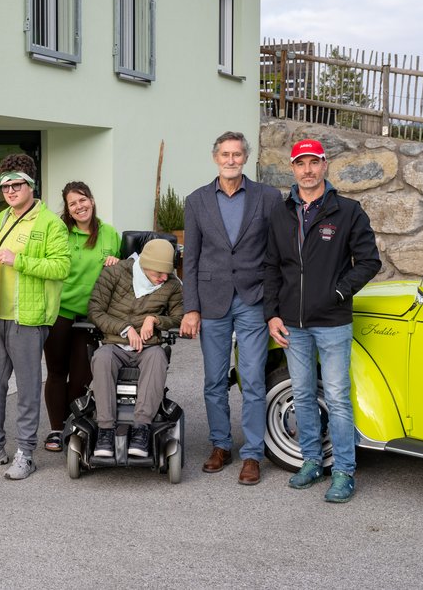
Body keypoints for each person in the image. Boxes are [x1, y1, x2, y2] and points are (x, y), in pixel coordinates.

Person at [264, 139, 380, 503]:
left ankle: (344, 471)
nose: (308, 170)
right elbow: (271, 267)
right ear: (293, 168)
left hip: (332, 322)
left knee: (337, 398)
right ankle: (312, 461)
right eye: (301, 163)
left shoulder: (347, 211)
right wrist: (272, 313)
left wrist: (340, 293)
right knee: (302, 393)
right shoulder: (281, 213)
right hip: (292, 324)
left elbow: (369, 261)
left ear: (325, 165)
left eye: (314, 162)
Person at [179, 132, 283, 486]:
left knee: (253, 379)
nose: (231, 160)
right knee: (213, 380)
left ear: (246, 158)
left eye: (237, 154)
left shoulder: (268, 198)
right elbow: (190, 259)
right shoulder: (196, 201)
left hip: (253, 298)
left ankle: (252, 453)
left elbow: (277, 254)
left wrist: (273, 305)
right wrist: (190, 308)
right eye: (225, 154)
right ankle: (221, 444)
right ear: (215, 158)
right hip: (212, 300)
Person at [0, 153, 69, 480]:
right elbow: (2, 259)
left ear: (31, 185)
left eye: (17, 184)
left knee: (26, 389)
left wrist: (18, 260)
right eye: (5, 185)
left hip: (30, 317)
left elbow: (61, 267)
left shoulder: (50, 222)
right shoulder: (4, 218)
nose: (10, 190)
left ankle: (25, 452)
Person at [87, 239, 183, 459]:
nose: (164, 278)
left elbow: (179, 317)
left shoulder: (172, 284)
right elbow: (95, 310)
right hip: (114, 343)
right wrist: (124, 328)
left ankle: (141, 427)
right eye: (159, 272)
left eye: (167, 272)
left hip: (149, 347)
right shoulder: (115, 272)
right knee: (102, 358)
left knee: (158, 358)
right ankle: (105, 430)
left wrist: (155, 320)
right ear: (145, 264)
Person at [42, 181, 120, 453]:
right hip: (59, 310)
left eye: (83, 200)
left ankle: (73, 424)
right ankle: (55, 429)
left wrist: (117, 264)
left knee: (81, 376)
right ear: (67, 209)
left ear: (92, 200)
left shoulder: (109, 234)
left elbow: (122, 274)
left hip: (92, 314)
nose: (79, 206)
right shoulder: (59, 233)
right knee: (56, 372)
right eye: (73, 203)